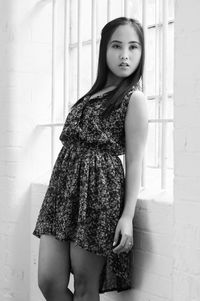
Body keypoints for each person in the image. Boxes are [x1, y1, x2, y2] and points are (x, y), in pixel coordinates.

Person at [33, 16, 148, 301]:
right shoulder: (92, 94)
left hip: (98, 194)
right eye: (117, 46)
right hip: (62, 192)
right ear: (104, 50)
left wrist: (127, 216)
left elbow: (134, 160)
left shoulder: (134, 99)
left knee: (86, 287)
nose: (125, 55)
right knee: (49, 281)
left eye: (133, 47)